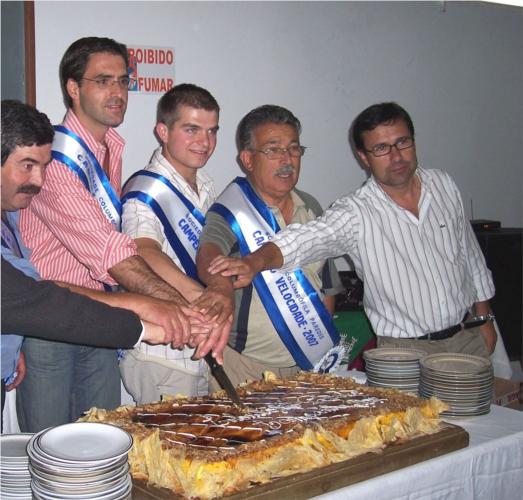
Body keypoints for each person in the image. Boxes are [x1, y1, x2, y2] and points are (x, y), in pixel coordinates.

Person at [16, 37, 222, 432]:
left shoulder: (108, 147)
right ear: (73, 88)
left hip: (100, 314)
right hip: (51, 321)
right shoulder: (57, 157)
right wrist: (184, 306)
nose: (117, 92)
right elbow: (112, 253)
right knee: (50, 443)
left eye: (123, 81)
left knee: (101, 439)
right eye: (103, 81)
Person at [207, 102, 497, 359]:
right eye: (381, 148)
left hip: (466, 337)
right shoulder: (356, 211)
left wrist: (484, 316)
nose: (396, 155)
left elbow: (469, 253)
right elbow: (306, 240)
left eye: (402, 142)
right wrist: (255, 262)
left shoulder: (443, 184)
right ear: (364, 157)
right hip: (404, 352)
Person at [1, 99, 199, 428]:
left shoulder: (10, 212)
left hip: (63, 325)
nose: (39, 180)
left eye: (44, 166)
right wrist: (147, 316)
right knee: (50, 445)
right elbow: (34, 295)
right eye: (27, 165)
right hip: (59, 324)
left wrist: (11, 345)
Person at [196, 105, 343, 389]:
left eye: (294, 149)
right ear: (248, 159)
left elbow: (326, 284)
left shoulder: (311, 206)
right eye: (273, 150)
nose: (287, 160)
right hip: (245, 366)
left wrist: (322, 350)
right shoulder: (232, 211)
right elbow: (208, 253)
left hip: (308, 364)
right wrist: (220, 285)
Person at [120, 83, 229, 402]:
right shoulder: (146, 189)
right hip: (163, 354)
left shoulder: (206, 184)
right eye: (192, 129)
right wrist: (200, 296)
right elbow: (143, 251)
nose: (205, 142)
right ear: (163, 132)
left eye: (212, 131)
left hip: (201, 345)